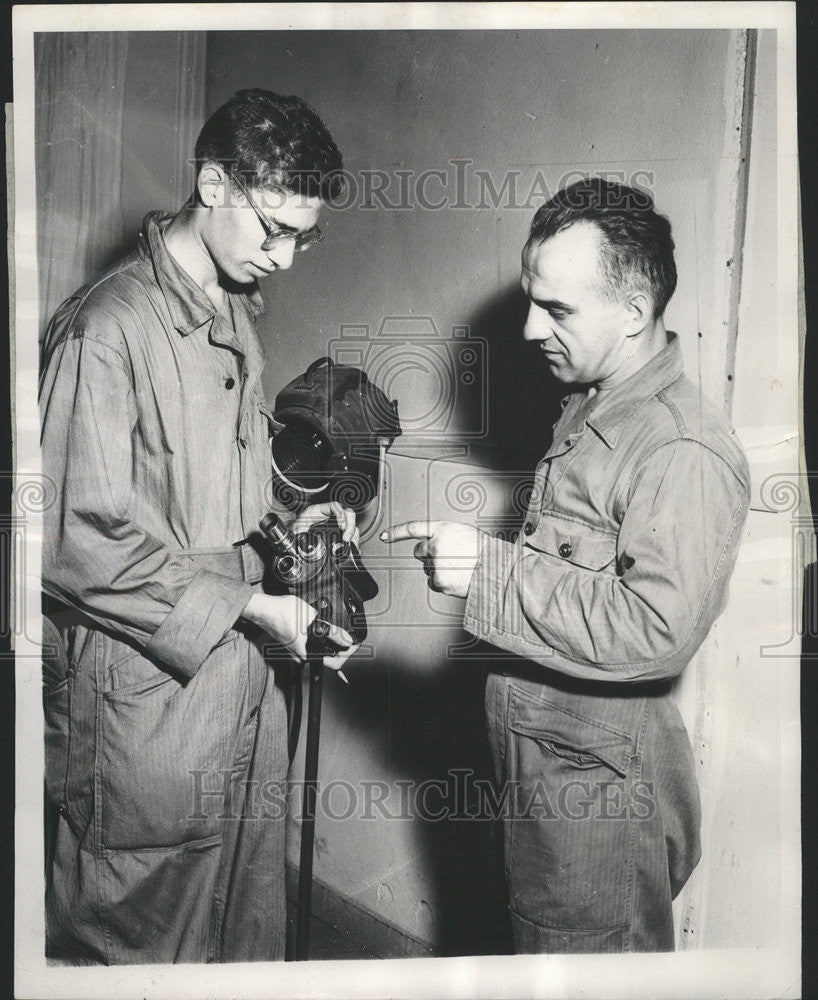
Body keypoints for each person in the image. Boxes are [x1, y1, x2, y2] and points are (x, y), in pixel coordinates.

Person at [382, 178, 750, 953]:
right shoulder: (592, 406)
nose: (527, 328)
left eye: (556, 310)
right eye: (529, 300)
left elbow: (656, 628)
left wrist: (486, 573)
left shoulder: (680, 448)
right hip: (552, 778)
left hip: (598, 806)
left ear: (635, 312)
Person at [40, 89, 359, 965]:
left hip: (238, 690)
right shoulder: (106, 331)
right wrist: (249, 608)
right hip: (145, 699)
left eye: (304, 235)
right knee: (135, 939)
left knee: (239, 930)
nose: (287, 258)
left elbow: (212, 486)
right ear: (213, 184)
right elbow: (73, 543)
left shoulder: (228, 307)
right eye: (273, 229)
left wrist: (291, 516)